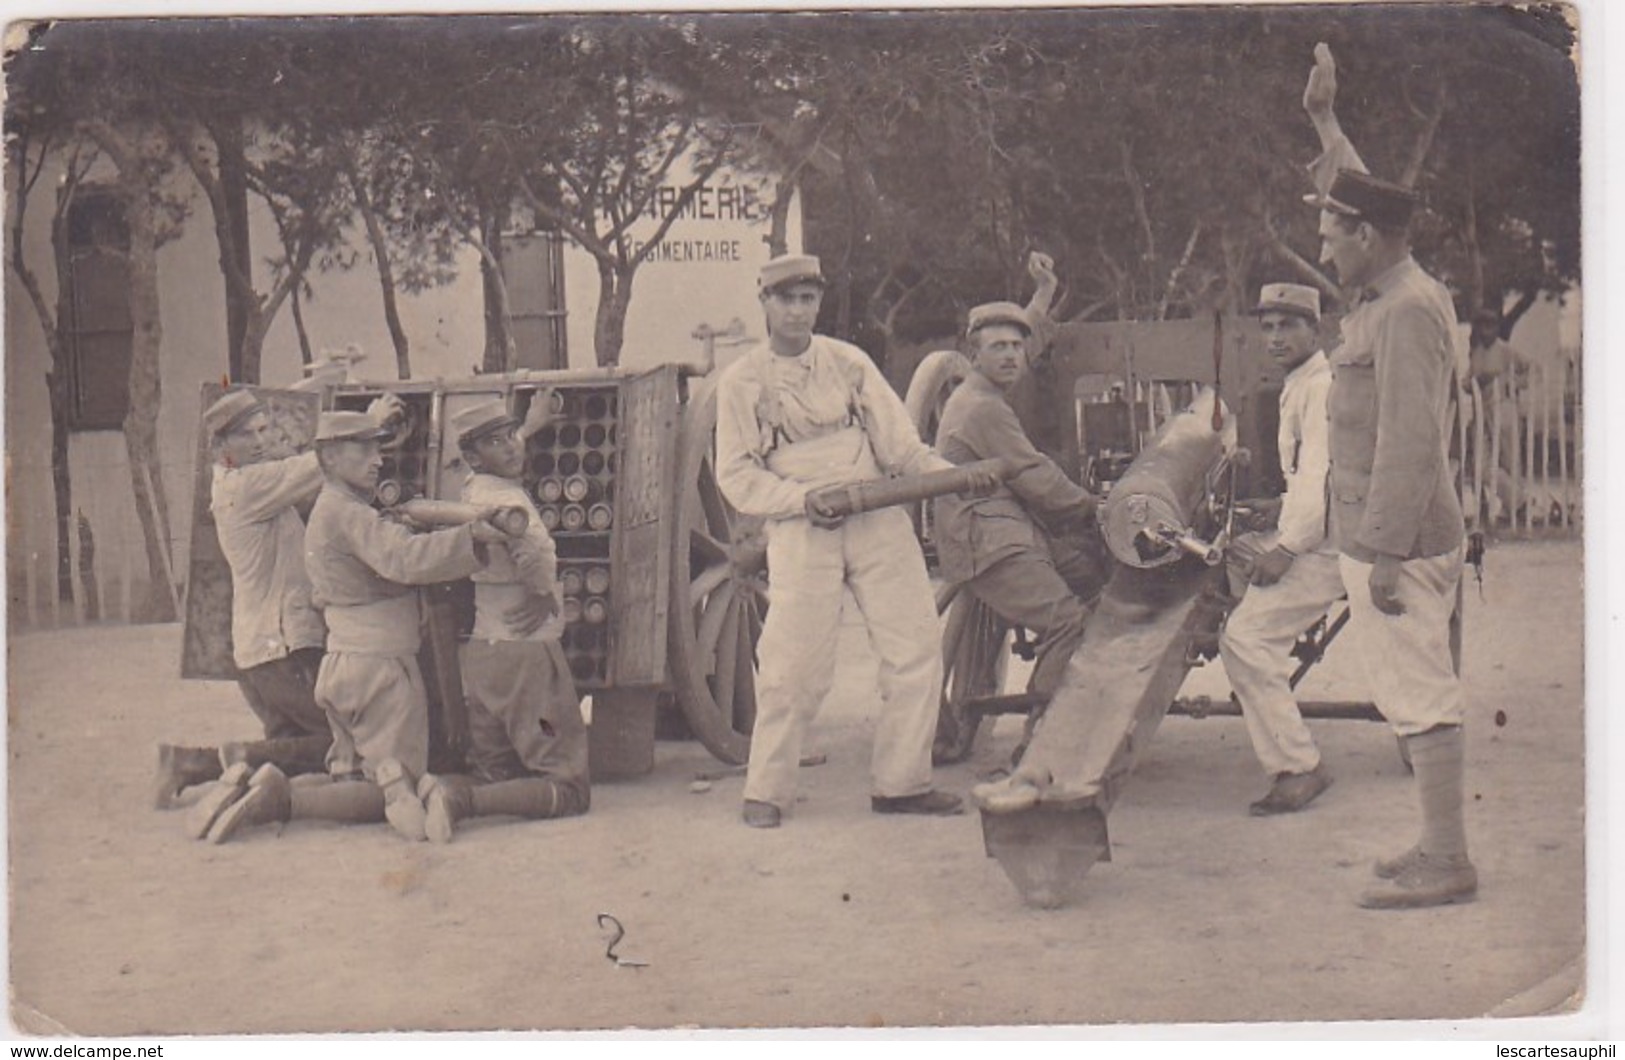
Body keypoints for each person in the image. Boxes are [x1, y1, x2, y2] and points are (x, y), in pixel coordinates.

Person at [716, 253, 993, 828]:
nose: (798, 311)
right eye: (786, 299)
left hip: (875, 512)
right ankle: (766, 791)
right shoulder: (742, 381)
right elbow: (737, 476)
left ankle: (902, 782)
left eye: (808, 299)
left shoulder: (848, 362)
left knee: (915, 647)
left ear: (819, 303)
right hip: (800, 525)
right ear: (764, 303)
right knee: (793, 663)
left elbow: (901, 448)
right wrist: (799, 501)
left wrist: (950, 476)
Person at [1303, 43, 1475, 908]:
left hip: (1397, 541)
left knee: (1417, 696)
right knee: (1410, 692)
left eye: (1331, 235)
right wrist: (1327, 124)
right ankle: (1432, 844)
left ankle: (1446, 861)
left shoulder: (1403, 312)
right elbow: (1364, 196)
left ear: (1366, 239)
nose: (1324, 247)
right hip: (1388, 534)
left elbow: (1411, 442)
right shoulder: (1391, 284)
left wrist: (1376, 554)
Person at [208, 410, 511, 843]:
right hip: (382, 671)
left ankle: (258, 784)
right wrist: (469, 539)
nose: (377, 460)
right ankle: (280, 800)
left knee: (344, 774)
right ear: (328, 458)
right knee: (389, 786)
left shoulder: (329, 510)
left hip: (342, 666)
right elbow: (403, 560)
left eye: (378, 449)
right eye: (363, 449)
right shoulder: (349, 514)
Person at [164, 388, 398, 838]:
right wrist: (367, 423)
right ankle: (210, 762)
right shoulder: (246, 487)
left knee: (292, 749)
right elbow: (313, 465)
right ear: (220, 448)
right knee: (343, 742)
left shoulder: (245, 483)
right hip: (282, 648)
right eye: (246, 435)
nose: (259, 441)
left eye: (263, 429)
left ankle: (190, 767)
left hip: (258, 651)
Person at [415, 397, 591, 842]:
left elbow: (498, 460)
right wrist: (540, 592)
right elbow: (533, 549)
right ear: (473, 455)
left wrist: (526, 429)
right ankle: (460, 802)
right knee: (569, 788)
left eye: (513, 434)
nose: (513, 446)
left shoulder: (473, 489)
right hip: (526, 653)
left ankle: (442, 790)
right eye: (498, 441)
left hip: (485, 651)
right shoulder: (510, 502)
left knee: (496, 769)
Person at [933, 301, 1106, 703]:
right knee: (1067, 622)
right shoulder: (982, 408)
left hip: (1010, 529)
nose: (1011, 355)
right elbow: (1036, 477)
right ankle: (1042, 730)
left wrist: (1045, 293)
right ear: (973, 356)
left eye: (1016, 346)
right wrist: (1094, 506)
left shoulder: (982, 393)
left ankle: (1093, 698)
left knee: (1092, 577)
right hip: (988, 542)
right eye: (998, 347)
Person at [1218, 283, 1342, 816]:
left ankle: (1298, 767)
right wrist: (1278, 507)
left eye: (1287, 325)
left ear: (1315, 331)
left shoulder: (1321, 388)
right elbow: (1304, 482)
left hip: (1328, 548)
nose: (1274, 337)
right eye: (1266, 326)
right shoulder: (1300, 383)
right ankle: (1263, 695)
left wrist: (1287, 547)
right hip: (1312, 529)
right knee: (1226, 551)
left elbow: (1320, 479)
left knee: (1242, 640)